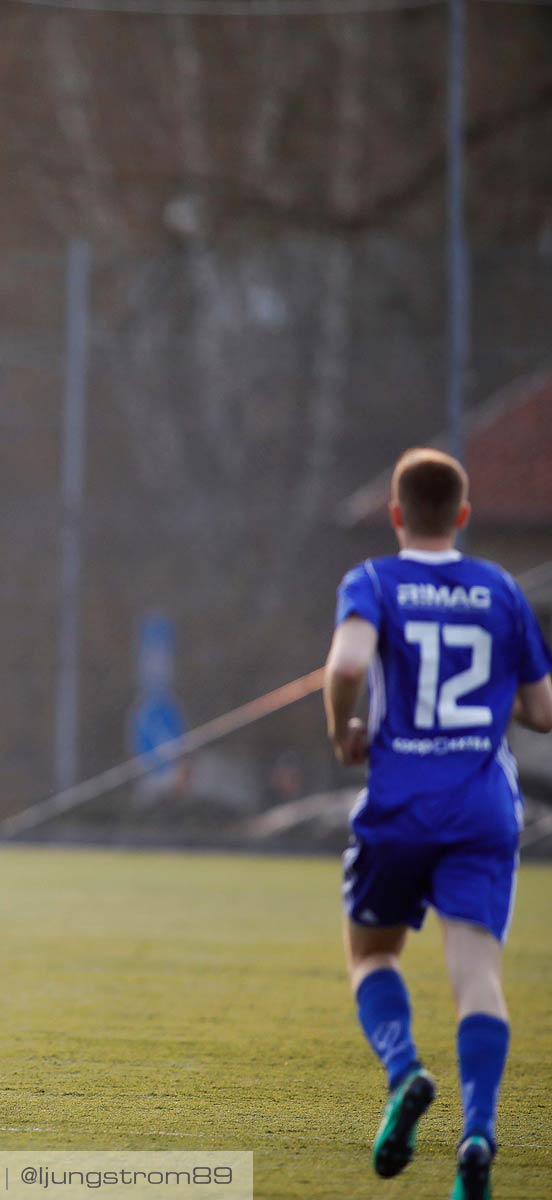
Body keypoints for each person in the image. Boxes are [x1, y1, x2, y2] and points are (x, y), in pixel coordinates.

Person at [325, 449, 552, 1200]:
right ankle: (478, 1134)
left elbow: (349, 664)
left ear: (396, 514)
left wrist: (342, 727)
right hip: (482, 810)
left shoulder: (374, 580)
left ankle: (404, 1073)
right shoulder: (499, 590)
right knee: (478, 977)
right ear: (462, 514)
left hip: (400, 807)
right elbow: (543, 712)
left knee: (372, 957)